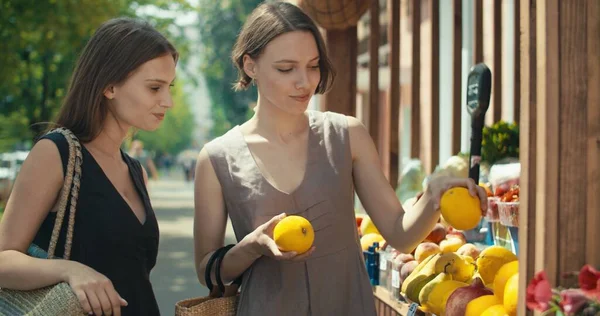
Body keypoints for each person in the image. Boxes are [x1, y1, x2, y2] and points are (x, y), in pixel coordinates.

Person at [193, 3, 487, 316]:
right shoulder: (217, 158)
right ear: (250, 66)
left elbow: (400, 235)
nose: (305, 82)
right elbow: (207, 270)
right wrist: (252, 246)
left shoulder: (347, 135)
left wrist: (433, 196)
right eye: (286, 68)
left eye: (313, 66)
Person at [0, 17, 177, 316]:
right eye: (154, 88)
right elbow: (3, 260)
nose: (168, 101)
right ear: (109, 86)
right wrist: (70, 270)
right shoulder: (56, 153)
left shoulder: (135, 171)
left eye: (169, 87)